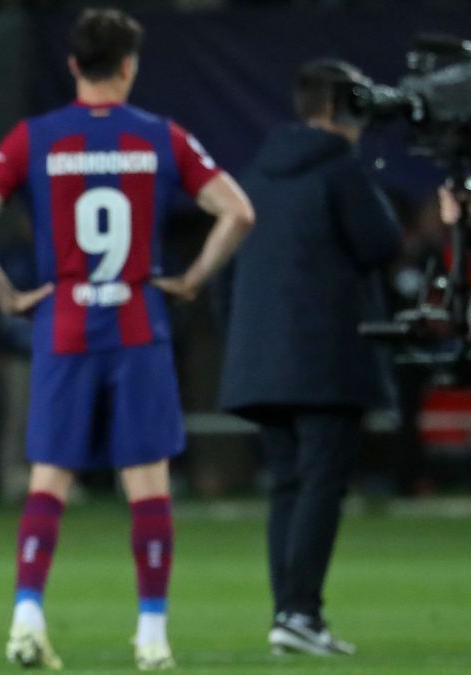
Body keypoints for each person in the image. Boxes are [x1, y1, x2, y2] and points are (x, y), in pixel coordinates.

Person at [0, 8, 254, 670]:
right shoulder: (159, 137)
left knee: (50, 477)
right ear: (128, 67)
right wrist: (195, 276)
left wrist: (6, 294)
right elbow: (237, 210)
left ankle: (26, 616)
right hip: (138, 323)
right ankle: (151, 636)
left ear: (72, 67)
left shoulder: (35, 138)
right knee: (147, 482)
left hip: (64, 323)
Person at [216, 59, 402, 657]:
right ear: (337, 109)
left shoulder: (255, 173)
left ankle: (289, 615)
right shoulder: (340, 169)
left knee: (289, 487)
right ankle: (300, 612)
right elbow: (380, 243)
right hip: (325, 355)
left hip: (261, 356)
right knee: (322, 482)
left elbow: (228, 266)